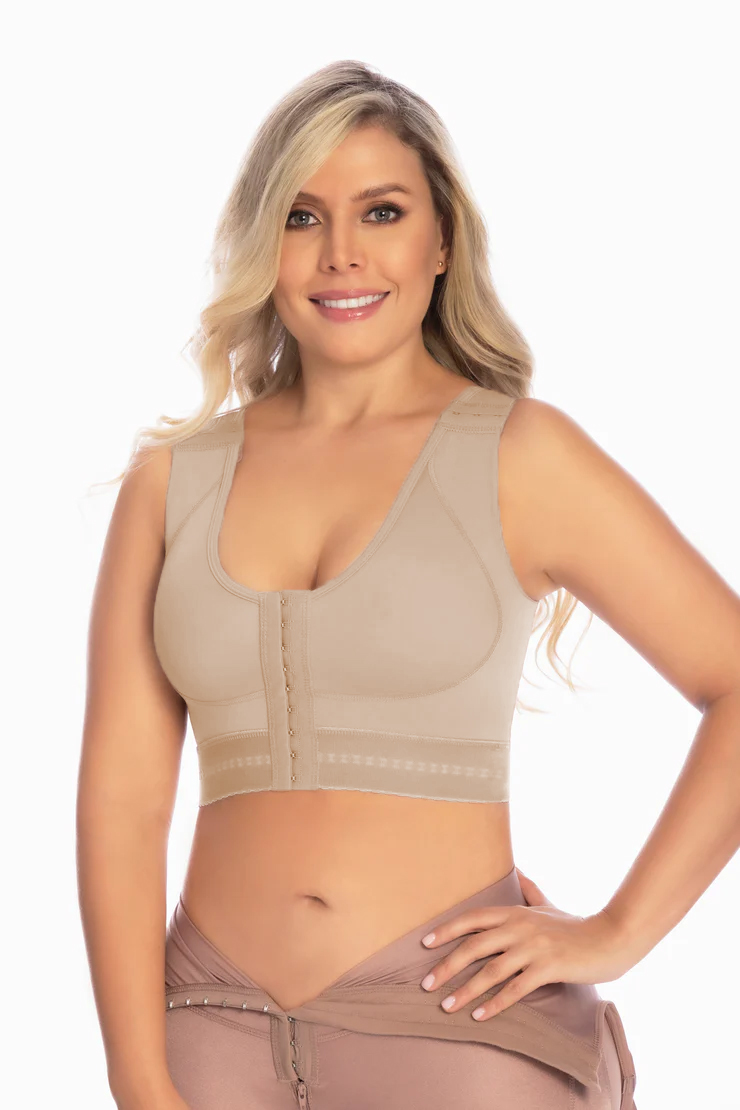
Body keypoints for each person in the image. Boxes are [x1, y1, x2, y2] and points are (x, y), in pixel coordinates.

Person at [77, 61, 740, 1110]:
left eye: (380, 212)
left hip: (456, 1027)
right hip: (209, 1026)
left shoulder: (522, 456)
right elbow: (122, 799)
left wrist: (620, 930)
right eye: (301, 217)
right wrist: (139, 1077)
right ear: (262, 245)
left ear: (441, 243)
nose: (341, 252)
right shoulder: (170, 483)